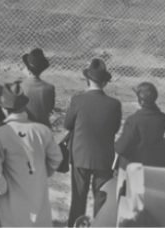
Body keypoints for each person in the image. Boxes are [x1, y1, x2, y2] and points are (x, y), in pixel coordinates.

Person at [0, 83, 61, 227]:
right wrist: (43, 172)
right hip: (38, 198)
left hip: (12, 203)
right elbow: (56, 158)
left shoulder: (0, 133)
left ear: (4, 109)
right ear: (24, 106)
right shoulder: (42, 130)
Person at [63, 59, 122, 226]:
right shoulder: (114, 104)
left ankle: (75, 224)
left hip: (80, 154)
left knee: (78, 197)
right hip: (103, 156)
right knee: (101, 196)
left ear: (87, 79)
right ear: (104, 82)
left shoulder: (78, 100)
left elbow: (67, 125)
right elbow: (115, 128)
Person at [115, 82, 165, 168]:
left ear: (141, 101)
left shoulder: (134, 120)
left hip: (134, 166)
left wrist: (115, 144)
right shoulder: (162, 118)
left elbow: (122, 148)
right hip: (153, 164)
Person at [18, 48, 56, 127]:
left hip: (25, 127)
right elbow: (50, 109)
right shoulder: (50, 88)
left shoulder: (20, 86)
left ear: (28, 69)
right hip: (43, 127)